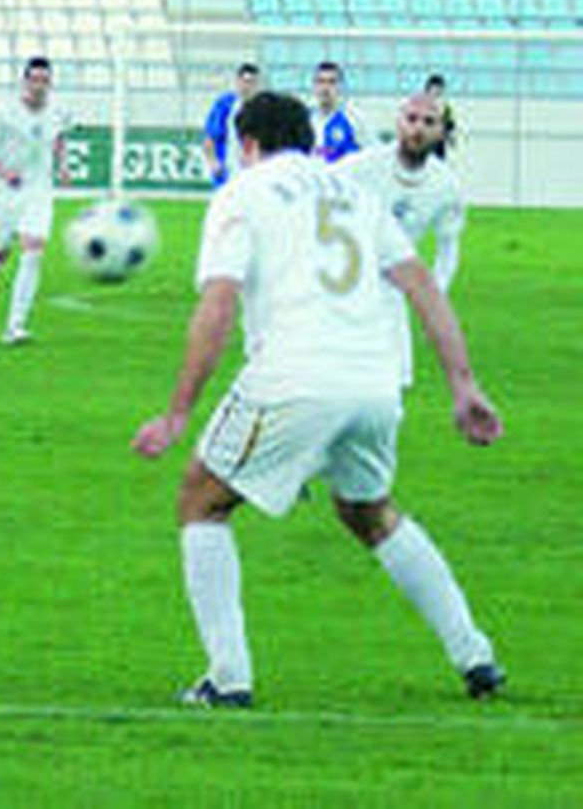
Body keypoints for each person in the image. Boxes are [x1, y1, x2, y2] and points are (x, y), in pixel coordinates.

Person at [131, 91, 504, 707]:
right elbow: (422, 288)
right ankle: (476, 654)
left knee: (201, 499)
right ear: (306, 140)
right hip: (376, 381)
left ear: (246, 145)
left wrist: (177, 412)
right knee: (370, 513)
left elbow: (218, 304)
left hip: (295, 376)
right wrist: (463, 383)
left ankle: (228, 678)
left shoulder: (240, 192)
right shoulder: (355, 194)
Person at [336, 93, 465, 388]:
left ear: (442, 131)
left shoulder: (447, 186)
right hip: (344, 288)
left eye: (429, 122)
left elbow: (448, 249)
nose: (417, 128)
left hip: (391, 294)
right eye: (411, 119)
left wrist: (432, 300)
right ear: (398, 123)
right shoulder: (360, 167)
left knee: (394, 387)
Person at [0, 57, 73, 345]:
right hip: (3, 192)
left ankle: (15, 326)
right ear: (24, 82)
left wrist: (62, 166)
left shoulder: (57, 111)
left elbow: (59, 138)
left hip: (38, 191)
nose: (39, 86)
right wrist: (4, 172)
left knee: (33, 250)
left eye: (44, 81)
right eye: (34, 80)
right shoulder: (3, 112)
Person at [201, 63, 262, 188]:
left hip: (254, 171)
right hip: (228, 169)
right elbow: (210, 138)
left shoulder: (263, 107)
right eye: (245, 81)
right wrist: (213, 162)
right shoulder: (225, 105)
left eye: (252, 82)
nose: (247, 86)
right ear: (237, 81)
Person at [310, 61, 367, 162]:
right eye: (321, 81)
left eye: (332, 82)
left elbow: (367, 155)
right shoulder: (306, 120)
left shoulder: (353, 120)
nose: (325, 88)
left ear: (340, 86)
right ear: (314, 86)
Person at [424, 73, 457, 158]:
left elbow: (449, 125)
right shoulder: (420, 104)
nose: (438, 91)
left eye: (441, 88)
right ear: (429, 88)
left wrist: (450, 138)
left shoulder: (445, 107)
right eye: (435, 88)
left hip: (438, 144)